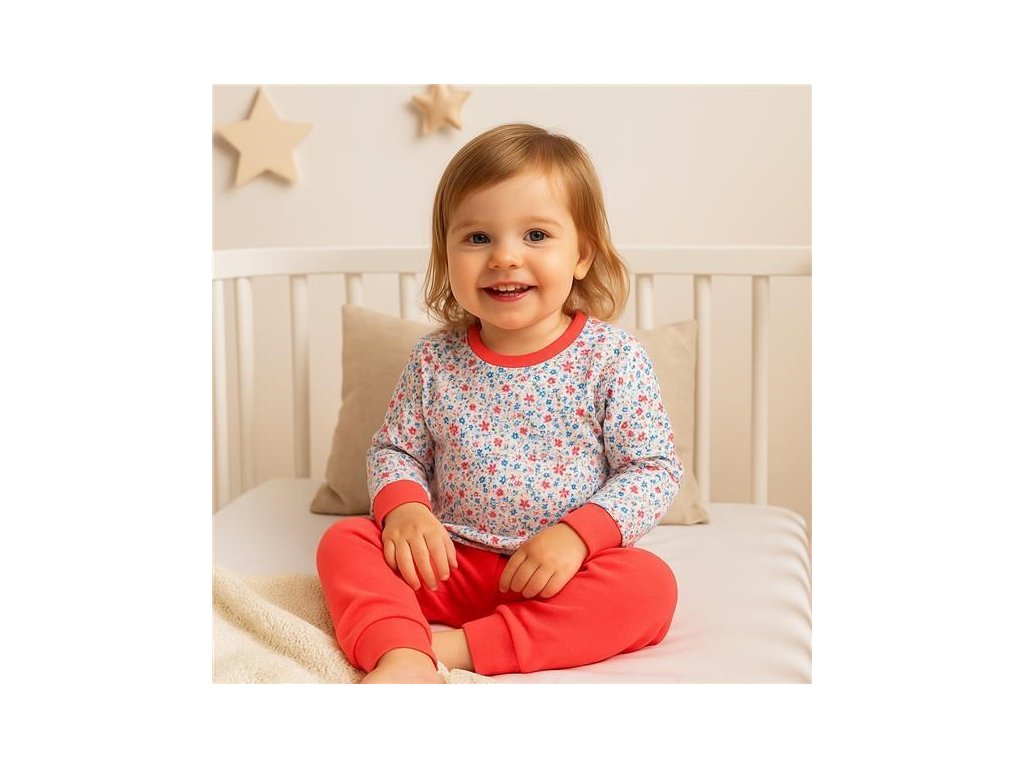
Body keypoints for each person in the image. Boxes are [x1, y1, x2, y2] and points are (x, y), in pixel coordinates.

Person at [316, 123, 682, 683]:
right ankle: (401, 652)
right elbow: (396, 450)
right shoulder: (434, 359)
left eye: (535, 235)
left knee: (649, 586)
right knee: (347, 540)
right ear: (446, 254)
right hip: (447, 562)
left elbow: (651, 470)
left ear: (582, 254)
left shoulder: (612, 358)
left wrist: (577, 536)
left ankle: (453, 649)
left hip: (562, 573)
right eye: (478, 238)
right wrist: (406, 510)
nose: (505, 257)